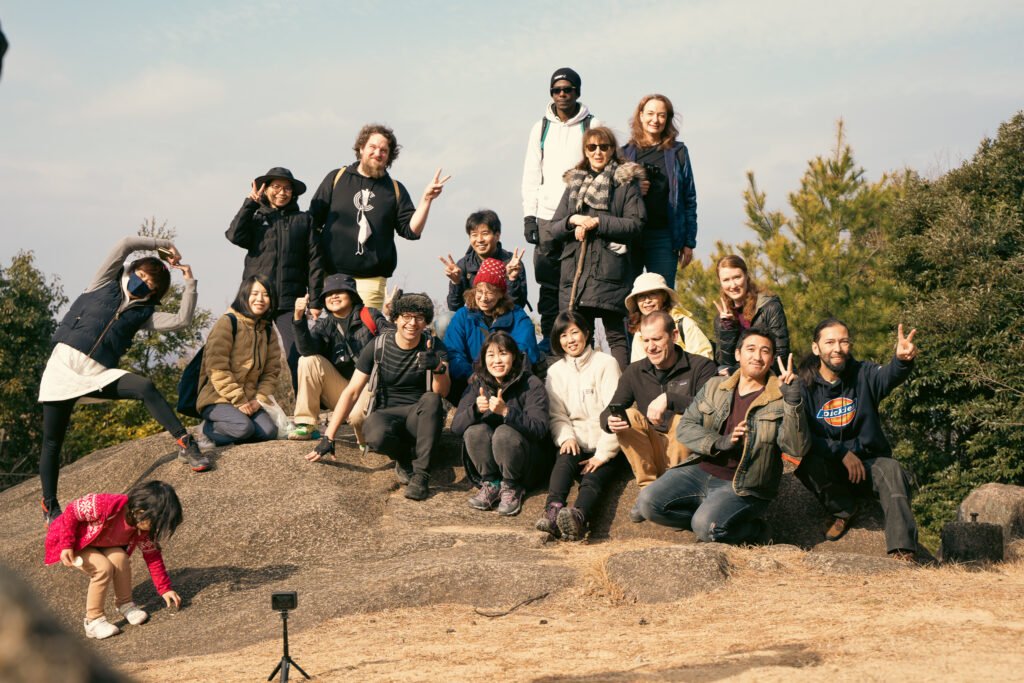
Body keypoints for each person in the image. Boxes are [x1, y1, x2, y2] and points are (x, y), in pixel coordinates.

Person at [38, 236, 207, 524]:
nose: (144, 283)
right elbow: (125, 244)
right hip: (63, 367)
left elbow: (182, 320)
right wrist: (163, 245)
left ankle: (185, 442)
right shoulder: (104, 282)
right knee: (52, 441)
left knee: (145, 387)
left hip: (97, 373)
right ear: (134, 269)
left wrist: (189, 281)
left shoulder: (144, 313)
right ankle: (50, 506)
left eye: (151, 285)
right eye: (143, 275)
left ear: (154, 293)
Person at [635, 328, 810, 543]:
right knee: (648, 504)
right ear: (737, 354)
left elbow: (796, 448)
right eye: (751, 349)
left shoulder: (781, 397)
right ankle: (708, 521)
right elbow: (686, 427)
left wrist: (793, 403)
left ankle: (755, 531)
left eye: (765, 351)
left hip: (743, 483)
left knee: (705, 527)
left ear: (772, 359)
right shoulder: (715, 386)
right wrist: (719, 442)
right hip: (700, 470)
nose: (757, 356)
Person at [794, 319, 921, 560]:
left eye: (843, 341)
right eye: (830, 342)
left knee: (893, 469)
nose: (837, 348)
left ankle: (902, 551)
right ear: (816, 348)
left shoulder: (864, 374)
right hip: (831, 467)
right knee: (805, 462)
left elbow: (889, 376)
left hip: (869, 466)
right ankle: (843, 509)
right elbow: (803, 434)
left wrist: (902, 361)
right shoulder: (804, 386)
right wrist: (841, 452)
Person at [306, 292, 450, 502]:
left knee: (432, 399)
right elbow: (352, 391)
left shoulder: (433, 346)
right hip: (387, 413)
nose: (412, 323)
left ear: (426, 321)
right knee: (374, 435)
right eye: (406, 316)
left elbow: (442, 392)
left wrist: (437, 367)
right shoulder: (378, 345)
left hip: (419, 417)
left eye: (419, 318)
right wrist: (329, 436)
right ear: (396, 319)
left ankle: (421, 475)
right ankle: (403, 457)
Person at [308, 123, 450, 309]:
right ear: (361, 148)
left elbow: (411, 231)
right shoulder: (336, 178)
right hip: (332, 277)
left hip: (371, 280)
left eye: (384, 150)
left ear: (389, 156)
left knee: (366, 327)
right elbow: (312, 222)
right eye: (372, 147)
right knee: (333, 327)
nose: (378, 153)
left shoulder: (395, 189)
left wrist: (426, 199)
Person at [550, 126, 646, 369]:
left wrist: (598, 222)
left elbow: (636, 224)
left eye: (604, 147)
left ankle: (621, 387)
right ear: (585, 150)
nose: (598, 152)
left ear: (613, 150)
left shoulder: (625, 183)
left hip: (610, 270)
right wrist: (573, 220)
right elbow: (554, 227)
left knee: (616, 335)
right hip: (577, 274)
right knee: (581, 335)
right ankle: (583, 385)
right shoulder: (574, 183)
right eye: (592, 147)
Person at [602, 311, 717, 513]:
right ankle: (648, 491)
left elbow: (711, 408)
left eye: (656, 339)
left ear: (674, 336)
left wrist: (670, 399)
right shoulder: (634, 371)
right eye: (645, 340)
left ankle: (676, 491)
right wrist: (609, 421)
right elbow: (610, 409)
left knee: (682, 419)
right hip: (653, 448)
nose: (650, 347)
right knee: (628, 416)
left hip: (687, 454)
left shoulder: (702, 366)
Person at [521, 67, 602, 352]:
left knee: (579, 280)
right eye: (557, 90)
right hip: (546, 216)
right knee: (548, 283)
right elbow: (532, 173)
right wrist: (529, 216)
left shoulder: (591, 124)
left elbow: (602, 167)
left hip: (579, 215)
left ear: (577, 92)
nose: (562, 94)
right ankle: (550, 342)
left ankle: (582, 342)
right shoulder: (540, 127)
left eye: (568, 89)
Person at [43, 481, 183, 640]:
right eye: (156, 523)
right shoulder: (105, 505)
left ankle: (125, 604)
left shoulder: (143, 531)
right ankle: (93, 621)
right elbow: (72, 511)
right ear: (140, 511)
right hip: (75, 542)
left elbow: (153, 557)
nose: (156, 529)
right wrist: (66, 545)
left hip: (101, 544)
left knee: (120, 559)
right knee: (102, 568)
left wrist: (165, 589)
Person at [226, 166, 323, 392]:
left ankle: (305, 407)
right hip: (256, 299)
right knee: (247, 356)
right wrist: (250, 203)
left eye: (287, 188)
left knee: (297, 355)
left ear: (293, 193)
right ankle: (244, 403)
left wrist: (316, 300)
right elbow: (234, 235)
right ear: (266, 189)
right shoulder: (256, 217)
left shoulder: (304, 220)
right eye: (276, 187)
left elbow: (315, 262)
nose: (282, 192)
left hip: (290, 301)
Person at [537, 311, 623, 541]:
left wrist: (602, 455)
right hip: (575, 438)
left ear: (586, 333)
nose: (570, 340)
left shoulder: (606, 363)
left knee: (593, 477)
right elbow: (556, 415)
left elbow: (615, 413)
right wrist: (566, 437)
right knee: (563, 461)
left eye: (574, 332)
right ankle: (553, 511)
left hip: (605, 441)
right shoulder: (555, 372)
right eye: (563, 335)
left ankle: (578, 517)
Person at [452, 331, 550, 517]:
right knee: (474, 431)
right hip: (490, 464)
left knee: (505, 432)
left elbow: (540, 429)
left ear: (514, 356)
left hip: (526, 464)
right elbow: (456, 428)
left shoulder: (531, 383)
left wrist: (507, 412)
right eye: (491, 355)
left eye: (503, 353)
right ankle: (491, 483)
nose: (497, 360)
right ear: (484, 359)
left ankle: (511, 486)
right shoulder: (478, 384)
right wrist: (475, 410)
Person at [288, 273, 387, 441]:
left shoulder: (370, 315)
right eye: (328, 293)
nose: (333, 296)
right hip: (342, 391)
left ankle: (364, 436)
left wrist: (395, 317)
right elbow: (306, 350)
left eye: (340, 291)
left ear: (352, 295)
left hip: (370, 388)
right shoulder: (324, 324)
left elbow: (392, 339)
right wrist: (298, 319)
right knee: (307, 360)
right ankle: (307, 424)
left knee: (359, 419)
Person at [621, 94, 699, 286]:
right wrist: (634, 189)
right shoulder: (624, 154)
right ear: (640, 115)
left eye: (661, 115)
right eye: (650, 113)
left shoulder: (678, 152)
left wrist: (688, 242)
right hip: (631, 235)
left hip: (663, 235)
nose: (655, 120)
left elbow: (689, 197)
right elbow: (614, 197)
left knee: (662, 293)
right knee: (627, 295)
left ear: (668, 119)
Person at [196, 275, 283, 446]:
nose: (260, 299)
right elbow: (217, 368)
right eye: (255, 294)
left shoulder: (267, 330)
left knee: (269, 432)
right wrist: (239, 399)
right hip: (218, 398)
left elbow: (271, 372)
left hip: (250, 400)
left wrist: (259, 399)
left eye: (266, 295)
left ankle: (233, 428)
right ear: (244, 295)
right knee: (243, 429)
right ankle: (207, 429)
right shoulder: (228, 322)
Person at [443, 258, 541, 401]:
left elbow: (526, 349)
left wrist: (503, 375)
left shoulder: (517, 315)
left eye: (490, 292)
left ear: (501, 293)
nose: (483, 298)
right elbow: (453, 352)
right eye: (479, 291)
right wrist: (470, 375)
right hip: (472, 383)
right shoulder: (463, 315)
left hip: (509, 382)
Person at [713, 255, 790, 374]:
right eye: (726, 280)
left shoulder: (769, 307)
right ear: (720, 283)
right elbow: (726, 363)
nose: (733, 285)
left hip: (769, 373)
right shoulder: (721, 319)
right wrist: (727, 328)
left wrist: (742, 372)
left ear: (746, 276)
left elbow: (781, 353)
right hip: (739, 376)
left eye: (737, 277)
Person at [440, 209, 528, 312]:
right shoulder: (464, 265)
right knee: (446, 319)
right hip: (474, 318)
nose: (479, 239)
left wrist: (512, 279)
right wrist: (456, 283)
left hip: (504, 316)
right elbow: (454, 308)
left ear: (497, 236)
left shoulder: (512, 263)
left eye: (485, 233)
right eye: (474, 235)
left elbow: (518, 306)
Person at [625, 271, 712, 362]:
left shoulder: (683, 324)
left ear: (664, 296)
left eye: (652, 294)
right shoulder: (639, 332)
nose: (647, 301)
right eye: (641, 296)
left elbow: (704, 358)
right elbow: (638, 366)